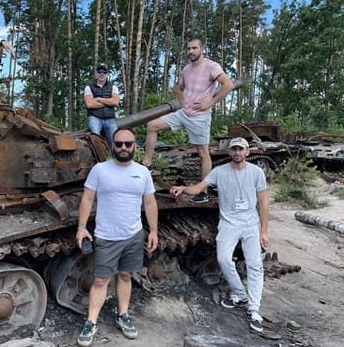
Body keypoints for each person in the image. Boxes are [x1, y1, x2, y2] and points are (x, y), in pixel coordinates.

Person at [170, 137, 269, 333]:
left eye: (240, 149)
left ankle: (254, 308)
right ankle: (240, 294)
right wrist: (184, 189)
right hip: (229, 223)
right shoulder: (220, 172)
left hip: (250, 224)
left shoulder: (256, 172)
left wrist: (264, 230)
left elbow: (264, 202)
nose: (237, 153)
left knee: (255, 265)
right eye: (234, 149)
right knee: (223, 259)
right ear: (230, 152)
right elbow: (200, 187)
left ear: (247, 152)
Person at [76, 128, 158, 346]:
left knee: (125, 276)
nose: (123, 148)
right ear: (113, 145)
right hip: (106, 235)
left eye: (128, 144)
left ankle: (124, 315)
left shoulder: (142, 172)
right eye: (119, 144)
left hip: (133, 234)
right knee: (101, 279)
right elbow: (87, 199)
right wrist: (82, 227)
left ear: (135, 146)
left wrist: (154, 231)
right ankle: (91, 321)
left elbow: (149, 202)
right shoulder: (100, 170)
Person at [143, 38, 233, 203]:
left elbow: (228, 85)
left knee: (203, 153)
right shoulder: (186, 69)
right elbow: (179, 87)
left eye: (194, 48)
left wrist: (210, 102)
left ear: (201, 49)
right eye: (188, 49)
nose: (191, 51)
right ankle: (147, 165)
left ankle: (203, 192)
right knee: (152, 125)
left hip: (200, 117)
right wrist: (183, 101)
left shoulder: (211, 66)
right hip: (183, 114)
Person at [84, 63, 120, 146]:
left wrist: (99, 99)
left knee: (116, 142)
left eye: (104, 72)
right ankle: (97, 158)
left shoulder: (113, 87)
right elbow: (89, 104)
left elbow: (115, 102)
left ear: (107, 74)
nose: (102, 74)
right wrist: (109, 102)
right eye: (99, 71)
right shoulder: (88, 87)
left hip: (110, 119)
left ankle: (116, 158)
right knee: (95, 140)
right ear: (96, 74)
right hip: (94, 117)